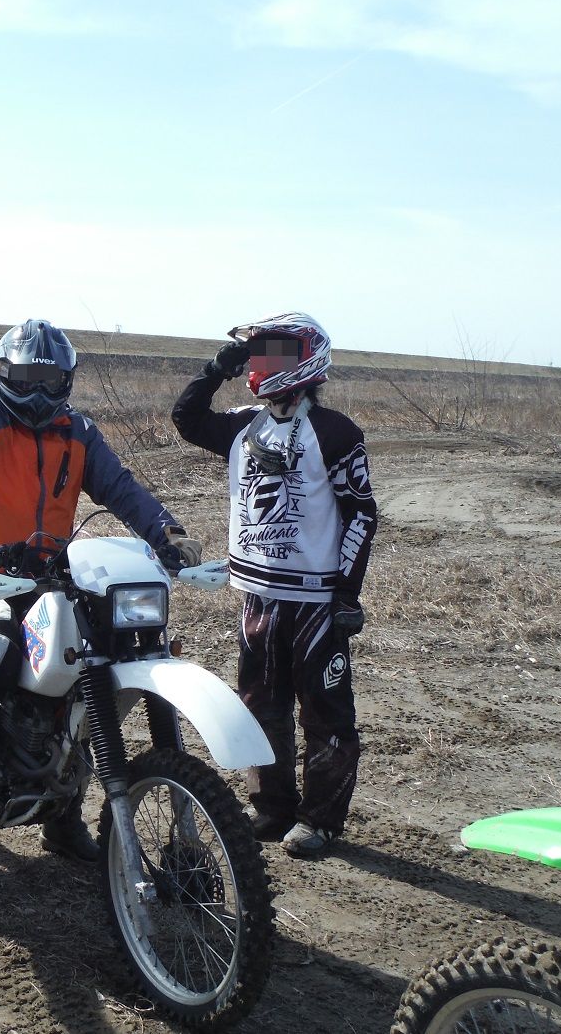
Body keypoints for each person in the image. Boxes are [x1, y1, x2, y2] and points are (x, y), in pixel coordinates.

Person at [0, 320, 200, 863]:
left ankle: (62, 819)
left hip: (53, 578)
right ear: (4, 375)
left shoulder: (78, 432)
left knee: (84, 684)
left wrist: (166, 532)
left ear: (65, 379)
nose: (37, 391)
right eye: (27, 378)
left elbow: (120, 487)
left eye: (48, 379)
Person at [171, 312, 377, 859]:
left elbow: (360, 513)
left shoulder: (335, 432)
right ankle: (273, 807)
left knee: (325, 711)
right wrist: (218, 366)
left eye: (272, 354)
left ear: (305, 360)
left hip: (315, 600)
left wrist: (346, 593)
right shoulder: (244, 425)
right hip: (258, 595)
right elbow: (186, 418)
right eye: (258, 354)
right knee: (260, 705)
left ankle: (321, 821)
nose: (260, 364)